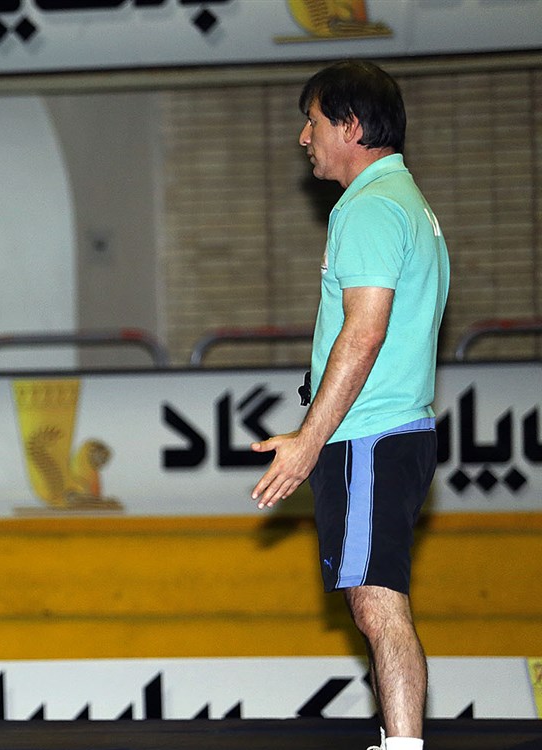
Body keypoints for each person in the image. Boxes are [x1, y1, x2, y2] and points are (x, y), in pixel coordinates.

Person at [251, 61, 449, 750]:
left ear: (350, 126)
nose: (303, 138)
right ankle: (400, 740)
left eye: (312, 122)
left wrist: (307, 441)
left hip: (370, 434)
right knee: (374, 600)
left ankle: (403, 746)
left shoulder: (368, 207)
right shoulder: (405, 201)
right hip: (390, 431)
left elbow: (364, 334)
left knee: (377, 605)